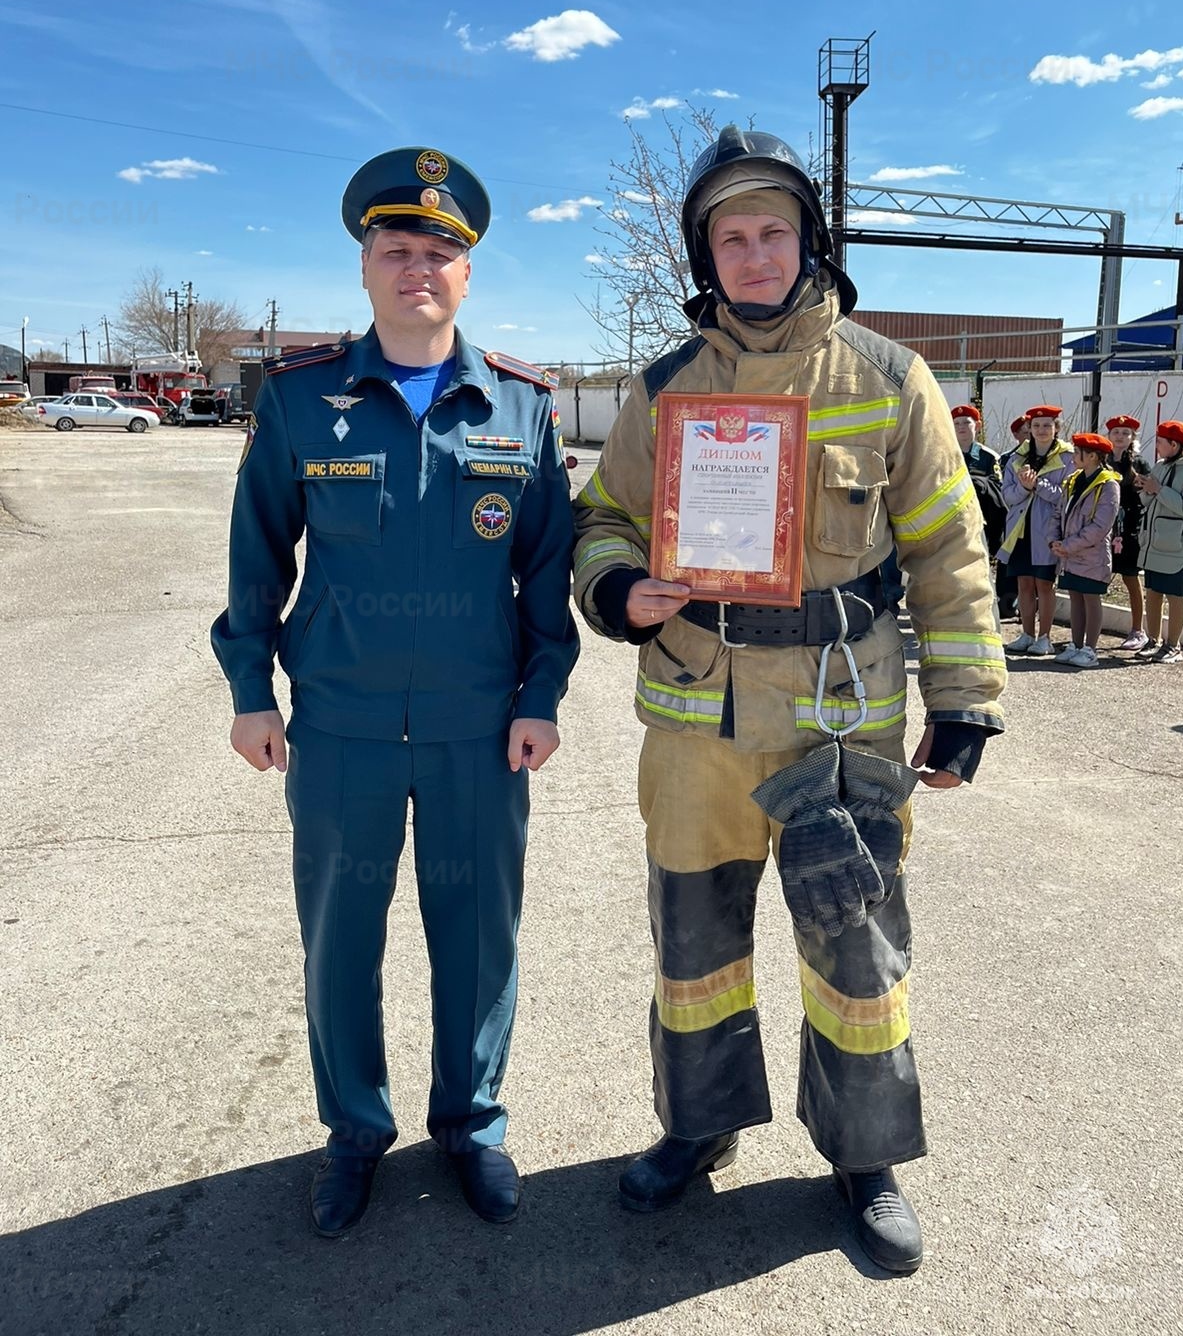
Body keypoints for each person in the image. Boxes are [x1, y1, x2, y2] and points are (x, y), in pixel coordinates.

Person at [572, 125, 1006, 1277]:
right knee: (695, 942)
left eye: (774, 231)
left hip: (841, 711)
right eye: (731, 236)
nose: (755, 253)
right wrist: (618, 587)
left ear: (808, 241)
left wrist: (964, 694)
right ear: (703, 258)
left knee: (856, 947)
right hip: (697, 716)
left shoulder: (886, 376)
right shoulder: (663, 390)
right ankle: (698, 1124)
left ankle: (864, 1159)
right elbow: (602, 516)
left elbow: (950, 549)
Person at [210, 146, 578, 1237]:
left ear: (467, 273)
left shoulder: (519, 409)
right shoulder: (301, 401)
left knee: (479, 938)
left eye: (439, 252)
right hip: (341, 730)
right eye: (396, 249)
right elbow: (257, 558)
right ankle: (355, 1131)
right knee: (340, 940)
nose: (417, 268)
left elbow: (548, 570)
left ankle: (472, 1125)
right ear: (366, 267)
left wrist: (542, 693)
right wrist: (250, 689)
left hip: (478, 731)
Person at [998, 405, 1074, 657]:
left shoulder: (1067, 458)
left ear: (1056, 428)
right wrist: (1024, 488)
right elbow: (1007, 495)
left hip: (1047, 532)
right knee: (1024, 584)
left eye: (1047, 425)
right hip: (1020, 531)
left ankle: (1045, 637)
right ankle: (1027, 634)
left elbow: (1066, 497)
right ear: (1029, 429)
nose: (1042, 430)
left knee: (1045, 584)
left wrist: (1037, 485)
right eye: (1036, 426)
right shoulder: (1016, 457)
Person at [1048, 434, 1121, 668]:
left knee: (1091, 599)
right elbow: (1058, 513)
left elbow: (1100, 526)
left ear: (1092, 456)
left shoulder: (1108, 485)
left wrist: (1068, 546)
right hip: (1069, 555)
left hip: (1091, 556)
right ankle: (1076, 645)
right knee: (1075, 598)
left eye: (1078, 452)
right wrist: (1054, 541)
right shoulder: (1073, 479)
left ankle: (1090, 649)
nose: (1073, 457)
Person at [1132, 419, 1183, 665]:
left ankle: (1173, 645)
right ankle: (1153, 641)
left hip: (1176, 547)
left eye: (1160, 442)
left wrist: (1158, 489)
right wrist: (1145, 489)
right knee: (1153, 593)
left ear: (1174, 444)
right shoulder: (1160, 466)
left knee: (1174, 595)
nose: (1157, 447)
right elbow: (1148, 501)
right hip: (1153, 544)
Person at [1106, 415, 1151, 650]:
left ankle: (1138, 630)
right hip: (1104, 526)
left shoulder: (1140, 464)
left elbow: (1146, 494)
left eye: (1125, 432)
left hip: (1130, 528)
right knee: (1096, 574)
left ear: (1133, 437)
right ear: (1109, 436)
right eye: (1116, 432)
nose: (1120, 436)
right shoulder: (1102, 460)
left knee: (1130, 578)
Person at [951, 404, 1005, 558]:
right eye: (956, 423)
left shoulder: (989, 457)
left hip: (980, 519)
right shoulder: (945, 456)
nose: (961, 427)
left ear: (978, 425)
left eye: (967, 422)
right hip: (952, 520)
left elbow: (996, 488)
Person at [993, 416, 1029, 620]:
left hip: (1034, 519)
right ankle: (1007, 602)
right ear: (1016, 435)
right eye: (1025, 432)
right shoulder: (1007, 459)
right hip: (1012, 517)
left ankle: (1028, 608)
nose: (1030, 435)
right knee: (1008, 561)